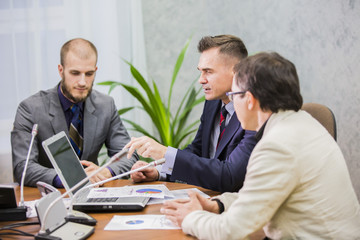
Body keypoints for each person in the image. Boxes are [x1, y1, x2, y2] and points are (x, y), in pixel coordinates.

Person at [160, 52, 360, 239]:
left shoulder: (277, 146)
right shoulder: (303, 124)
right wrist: (218, 205)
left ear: (249, 100)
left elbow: (232, 231)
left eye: (233, 94)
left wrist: (190, 217)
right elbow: (258, 197)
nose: (232, 102)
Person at [125, 35, 257, 192]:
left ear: (236, 72)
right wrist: (159, 170)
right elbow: (198, 149)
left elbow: (230, 176)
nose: (201, 80)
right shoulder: (213, 102)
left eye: (208, 71)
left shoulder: (255, 112)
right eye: (200, 71)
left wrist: (165, 153)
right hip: (209, 197)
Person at [11, 38, 138, 187]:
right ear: (61, 70)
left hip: (94, 194)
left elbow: (129, 155)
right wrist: (72, 177)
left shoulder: (106, 106)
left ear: (95, 71)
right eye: (75, 73)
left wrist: (106, 171)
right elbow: (23, 167)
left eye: (89, 74)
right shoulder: (30, 109)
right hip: (51, 196)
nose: (83, 82)